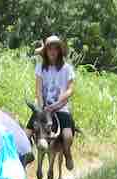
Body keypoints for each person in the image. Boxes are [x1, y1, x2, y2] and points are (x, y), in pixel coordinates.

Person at [35, 35, 76, 171]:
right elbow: (38, 89)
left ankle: (67, 153)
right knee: (27, 131)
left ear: (59, 51)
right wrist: (42, 106)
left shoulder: (67, 68)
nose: (52, 51)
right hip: (44, 107)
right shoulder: (40, 67)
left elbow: (70, 89)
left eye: (55, 49)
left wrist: (58, 103)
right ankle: (25, 158)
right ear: (45, 52)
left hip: (61, 107)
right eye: (49, 49)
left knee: (67, 136)